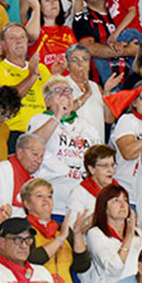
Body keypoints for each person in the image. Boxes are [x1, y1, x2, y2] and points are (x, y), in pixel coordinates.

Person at [28, 76, 102, 218]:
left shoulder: (86, 126)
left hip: (83, 203)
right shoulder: (40, 120)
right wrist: (58, 115)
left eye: (68, 91)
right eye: (58, 91)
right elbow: (33, 146)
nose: (65, 95)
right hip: (53, 202)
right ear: (47, 101)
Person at [82, 184, 142, 283]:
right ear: (103, 207)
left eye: (125, 199)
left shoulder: (138, 234)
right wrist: (129, 236)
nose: (123, 204)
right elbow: (114, 267)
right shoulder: (96, 234)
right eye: (115, 200)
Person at [22, 177, 90, 283]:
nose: (46, 200)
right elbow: (32, 260)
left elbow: (82, 266)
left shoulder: (61, 229)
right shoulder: (22, 228)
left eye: (49, 196)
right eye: (39, 196)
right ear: (27, 203)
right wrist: (60, 239)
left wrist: (77, 234)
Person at [0, 23, 50, 148]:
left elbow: (52, 101)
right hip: (14, 133)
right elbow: (6, 101)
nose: (19, 41)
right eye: (13, 38)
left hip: (45, 133)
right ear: (3, 44)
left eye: (22, 37)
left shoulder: (42, 68)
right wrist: (32, 76)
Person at [73, 0, 135, 86]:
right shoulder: (82, 17)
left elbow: (137, 44)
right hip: (100, 87)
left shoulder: (119, 12)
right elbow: (89, 48)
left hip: (129, 85)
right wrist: (127, 51)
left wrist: (137, 50)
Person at [0, 132, 44, 219]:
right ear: (19, 153)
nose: (39, 161)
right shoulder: (3, 170)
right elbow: (0, 213)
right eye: (34, 154)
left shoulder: (32, 178)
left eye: (41, 156)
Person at [24, 0, 77, 75]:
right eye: (47, 0)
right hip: (42, 81)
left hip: (66, 81)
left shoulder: (67, 30)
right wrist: (36, 8)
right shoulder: (32, 26)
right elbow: (32, 35)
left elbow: (76, 57)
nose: (53, 3)